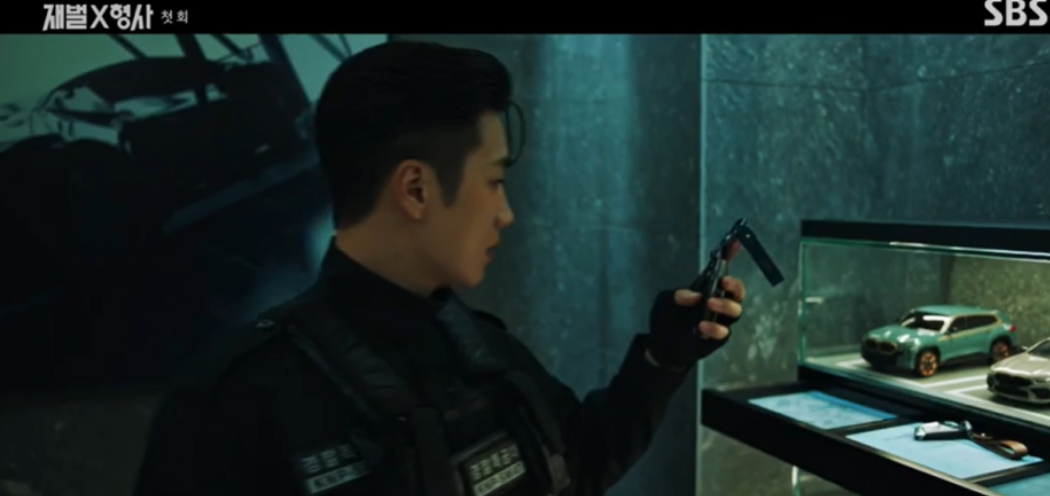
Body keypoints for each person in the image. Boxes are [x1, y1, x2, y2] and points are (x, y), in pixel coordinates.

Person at [132, 41, 746, 496]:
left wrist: (661, 358)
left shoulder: (484, 350)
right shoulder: (234, 405)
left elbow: (577, 464)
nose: (506, 213)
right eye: (494, 182)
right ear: (417, 190)